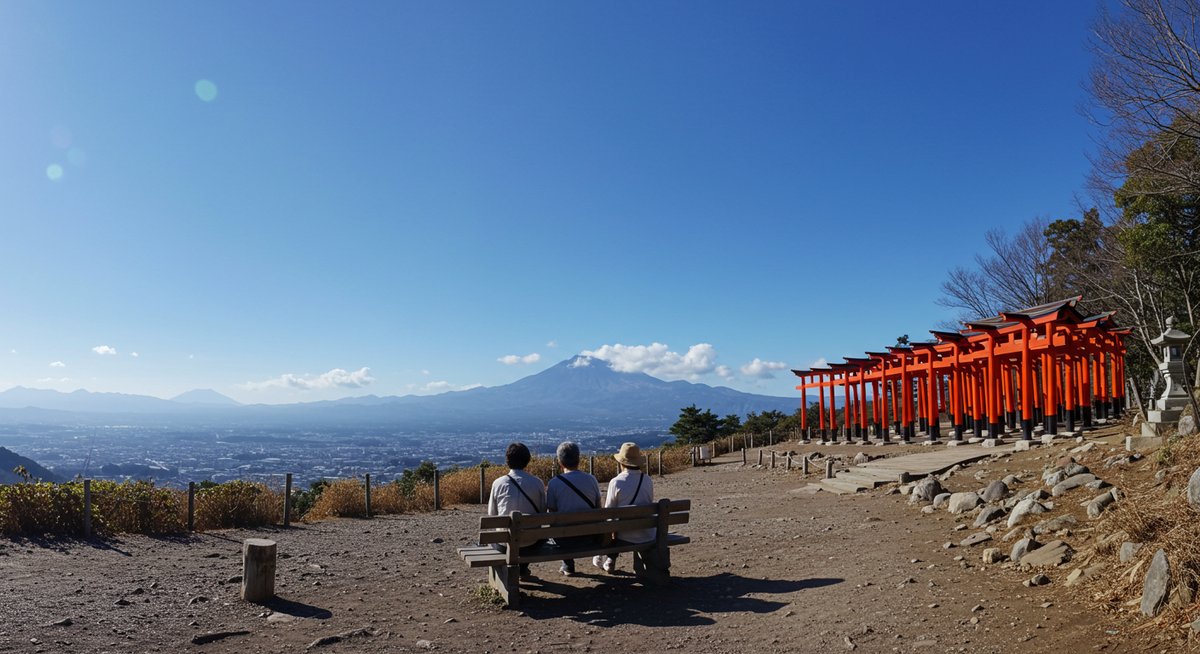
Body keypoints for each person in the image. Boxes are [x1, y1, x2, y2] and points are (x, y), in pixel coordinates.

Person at [593, 442, 654, 574]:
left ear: (621, 463)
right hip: (647, 532)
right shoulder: (648, 480)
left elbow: (609, 512)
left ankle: (608, 558)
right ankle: (609, 560)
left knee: (610, 524)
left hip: (625, 535)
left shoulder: (616, 482)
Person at [487, 442, 547, 576]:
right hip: (531, 543)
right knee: (534, 537)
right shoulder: (537, 483)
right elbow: (542, 513)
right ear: (527, 461)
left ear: (507, 461)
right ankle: (523, 568)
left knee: (488, 541)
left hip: (505, 544)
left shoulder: (498, 483)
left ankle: (506, 574)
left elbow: (492, 514)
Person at [545, 441, 602, 576]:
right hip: (590, 536)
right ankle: (567, 565)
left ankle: (568, 564)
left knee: (558, 527)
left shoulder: (554, 483)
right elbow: (598, 508)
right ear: (578, 459)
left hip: (564, 539)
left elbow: (551, 514)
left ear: (560, 462)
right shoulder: (591, 479)